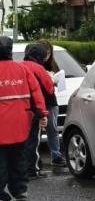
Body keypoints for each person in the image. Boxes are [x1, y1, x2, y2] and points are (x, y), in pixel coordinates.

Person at [0, 36, 46, 201]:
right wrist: (41, 112)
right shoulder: (22, 69)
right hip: (20, 122)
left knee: (1, 159)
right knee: (18, 156)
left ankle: (0, 195)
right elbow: (36, 91)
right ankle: (20, 190)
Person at [21, 43, 56, 180]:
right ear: (40, 56)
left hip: (19, 109)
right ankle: (32, 170)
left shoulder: (19, 66)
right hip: (35, 109)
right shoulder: (38, 68)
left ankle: (22, 168)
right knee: (33, 141)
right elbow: (49, 88)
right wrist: (52, 78)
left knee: (21, 141)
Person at [34, 38, 65, 166]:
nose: (47, 56)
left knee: (52, 129)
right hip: (37, 101)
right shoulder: (34, 65)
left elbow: (59, 83)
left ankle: (56, 155)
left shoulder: (52, 64)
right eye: (45, 53)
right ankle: (35, 158)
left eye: (49, 53)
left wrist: (56, 81)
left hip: (51, 101)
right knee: (37, 131)